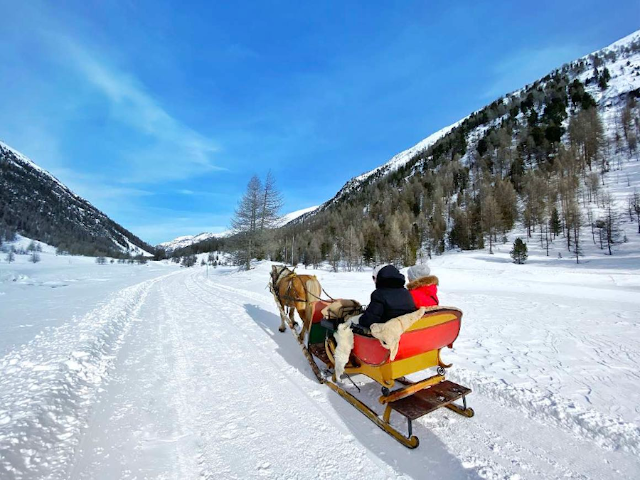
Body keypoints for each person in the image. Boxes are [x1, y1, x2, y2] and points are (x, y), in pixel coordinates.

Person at [358, 265, 417, 329]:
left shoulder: (379, 294)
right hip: (405, 329)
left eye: (374, 277)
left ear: (379, 277)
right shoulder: (406, 292)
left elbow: (369, 321)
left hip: (387, 331)